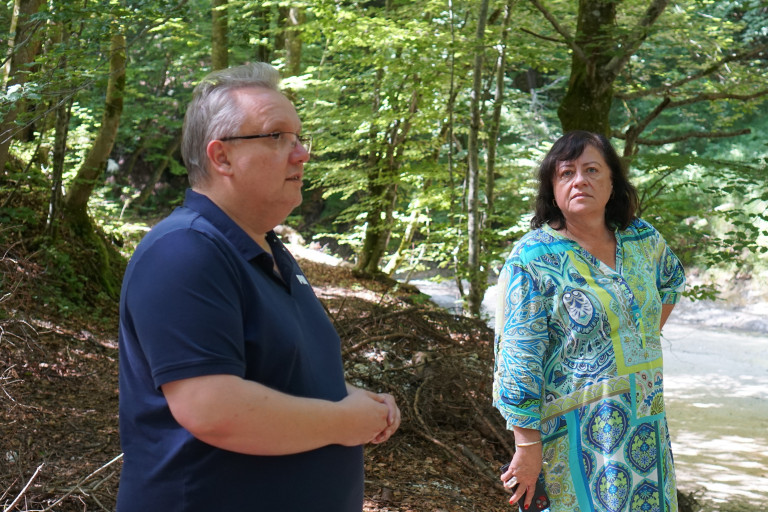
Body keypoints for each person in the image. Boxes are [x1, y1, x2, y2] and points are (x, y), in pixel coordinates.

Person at [117, 62, 400, 511]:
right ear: (221, 156)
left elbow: (280, 373)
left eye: (300, 138)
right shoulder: (184, 251)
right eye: (276, 137)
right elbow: (213, 410)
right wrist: (342, 422)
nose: (302, 153)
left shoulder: (268, 250)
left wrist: (353, 400)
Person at [493, 131, 686, 512]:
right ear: (553, 189)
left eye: (592, 169)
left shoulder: (641, 239)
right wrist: (527, 447)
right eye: (566, 173)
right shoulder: (533, 259)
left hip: (645, 426)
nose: (579, 180)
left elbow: (671, 281)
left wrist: (636, 336)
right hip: (576, 438)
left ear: (613, 182)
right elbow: (517, 362)